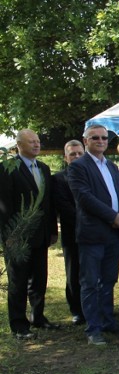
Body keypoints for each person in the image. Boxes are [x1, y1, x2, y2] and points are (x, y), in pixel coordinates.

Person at [68, 124, 119, 345]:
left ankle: (107, 321)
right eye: (95, 137)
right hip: (92, 234)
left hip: (113, 234)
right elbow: (84, 198)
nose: (101, 140)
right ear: (86, 141)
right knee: (90, 283)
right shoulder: (78, 167)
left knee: (109, 280)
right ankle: (93, 328)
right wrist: (112, 216)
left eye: (104, 137)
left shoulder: (112, 167)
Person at [0, 129, 59, 339]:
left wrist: (52, 230)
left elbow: (48, 204)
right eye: (31, 141)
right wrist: (9, 235)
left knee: (39, 279)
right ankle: (19, 325)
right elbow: (4, 205)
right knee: (18, 281)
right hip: (17, 236)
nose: (36, 144)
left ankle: (38, 317)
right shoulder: (8, 168)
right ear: (19, 145)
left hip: (41, 236)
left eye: (38, 141)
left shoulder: (43, 168)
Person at [52, 139, 85, 325]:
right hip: (72, 232)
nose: (77, 157)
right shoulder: (58, 179)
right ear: (66, 158)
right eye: (73, 154)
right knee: (73, 272)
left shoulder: (91, 174)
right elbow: (63, 206)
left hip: (94, 233)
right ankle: (77, 310)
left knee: (92, 272)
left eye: (80, 153)